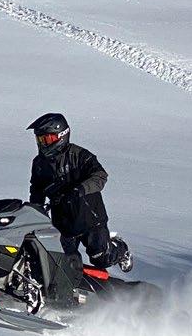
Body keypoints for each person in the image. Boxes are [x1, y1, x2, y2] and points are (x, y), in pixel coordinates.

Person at [27, 113, 133, 272]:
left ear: (61, 136)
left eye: (47, 139)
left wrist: (80, 190)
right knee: (61, 263)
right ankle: (73, 284)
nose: (43, 143)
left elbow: (100, 176)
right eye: (40, 139)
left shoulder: (79, 155)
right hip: (62, 222)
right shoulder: (39, 164)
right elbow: (36, 189)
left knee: (101, 258)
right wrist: (34, 210)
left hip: (89, 217)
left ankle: (120, 249)